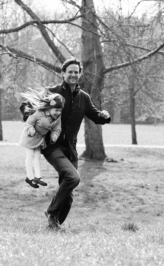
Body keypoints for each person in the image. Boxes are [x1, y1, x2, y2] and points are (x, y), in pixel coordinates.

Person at [42, 57, 111, 230]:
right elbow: (34, 113)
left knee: (69, 191)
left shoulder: (84, 98)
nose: (73, 75)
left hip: (70, 149)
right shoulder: (52, 93)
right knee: (73, 178)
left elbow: (95, 115)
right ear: (63, 73)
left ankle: (54, 225)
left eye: (76, 72)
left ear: (79, 74)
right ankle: (51, 212)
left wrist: (104, 116)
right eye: (69, 72)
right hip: (52, 146)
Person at [18, 88, 65, 189]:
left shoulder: (57, 118)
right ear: (49, 108)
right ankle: (29, 177)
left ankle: (38, 177)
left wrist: (54, 136)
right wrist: (31, 130)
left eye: (60, 110)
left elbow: (57, 129)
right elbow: (29, 123)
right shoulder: (38, 112)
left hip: (40, 139)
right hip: (30, 137)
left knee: (37, 157)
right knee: (30, 156)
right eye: (56, 110)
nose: (58, 113)